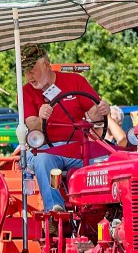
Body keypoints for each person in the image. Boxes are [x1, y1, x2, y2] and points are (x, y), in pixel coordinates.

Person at [21, 43, 110, 211]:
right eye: (25, 71)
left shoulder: (75, 81)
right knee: (42, 160)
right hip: (47, 150)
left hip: (78, 149)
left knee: (105, 162)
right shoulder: (26, 92)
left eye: (32, 70)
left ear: (46, 65)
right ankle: (55, 211)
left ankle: (101, 210)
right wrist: (41, 118)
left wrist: (103, 109)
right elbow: (33, 128)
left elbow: (95, 115)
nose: (28, 76)